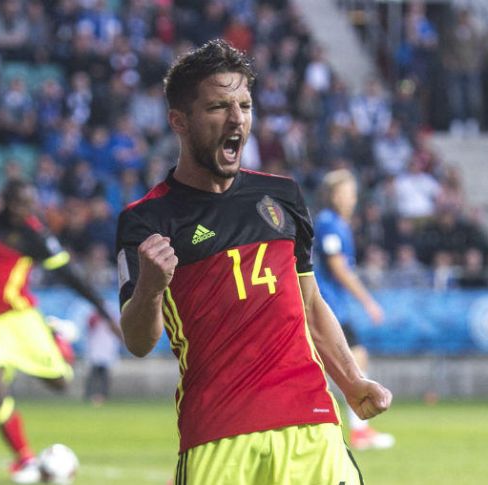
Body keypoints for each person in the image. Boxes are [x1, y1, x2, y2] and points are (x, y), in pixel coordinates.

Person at [116, 39, 392, 485]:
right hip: (218, 435)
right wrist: (150, 288)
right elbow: (138, 341)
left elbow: (310, 304)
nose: (236, 118)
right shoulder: (146, 219)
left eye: (244, 104)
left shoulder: (283, 196)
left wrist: (353, 381)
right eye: (218, 107)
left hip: (311, 422)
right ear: (179, 121)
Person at [0, 180, 121, 483]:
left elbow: (71, 277)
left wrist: (104, 312)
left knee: (61, 383)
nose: (25, 210)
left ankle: (55, 335)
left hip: (18, 318)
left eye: (29, 204)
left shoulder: (33, 235)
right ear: (4, 202)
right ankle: (24, 458)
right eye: (19, 204)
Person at [312, 168, 395, 450]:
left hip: (331, 304)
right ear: (335, 195)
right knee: (354, 357)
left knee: (347, 359)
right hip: (326, 305)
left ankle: (353, 426)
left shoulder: (336, 223)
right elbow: (338, 268)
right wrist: (368, 301)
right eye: (348, 193)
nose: (353, 198)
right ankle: (358, 429)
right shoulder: (329, 223)